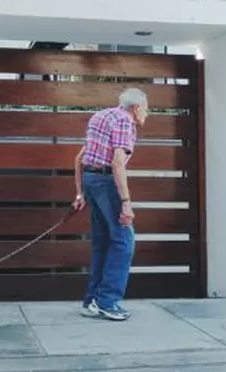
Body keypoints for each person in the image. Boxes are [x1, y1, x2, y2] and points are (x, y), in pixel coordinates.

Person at [71, 87, 148, 321]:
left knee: (103, 242)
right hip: (106, 182)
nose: (147, 113)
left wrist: (79, 194)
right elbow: (117, 163)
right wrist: (126, 203)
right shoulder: (126, 122)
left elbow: (79, 158)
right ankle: (107, 302)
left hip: (91, 181)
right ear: (136, 108)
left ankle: (92, 301)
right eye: (146, 108)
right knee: (124, 241)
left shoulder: (100, 116)